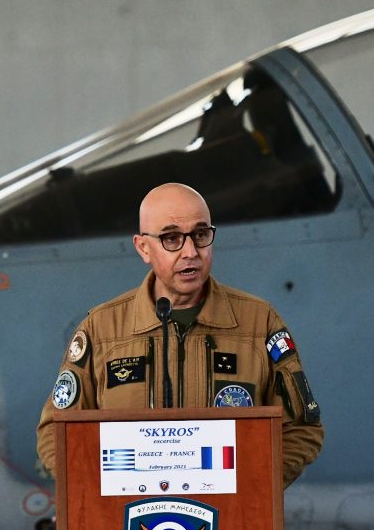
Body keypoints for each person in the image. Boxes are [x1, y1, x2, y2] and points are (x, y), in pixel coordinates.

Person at [36, 183, 323, 487]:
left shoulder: (259, 322)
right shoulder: (101, 329)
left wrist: (252, 490)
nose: (190, 252)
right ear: (143, 248)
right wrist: (97, 498)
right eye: (171, 238)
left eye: (200, 235)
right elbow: (56, 433)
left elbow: (301, 429)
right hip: (126, 514)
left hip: (234, 513)